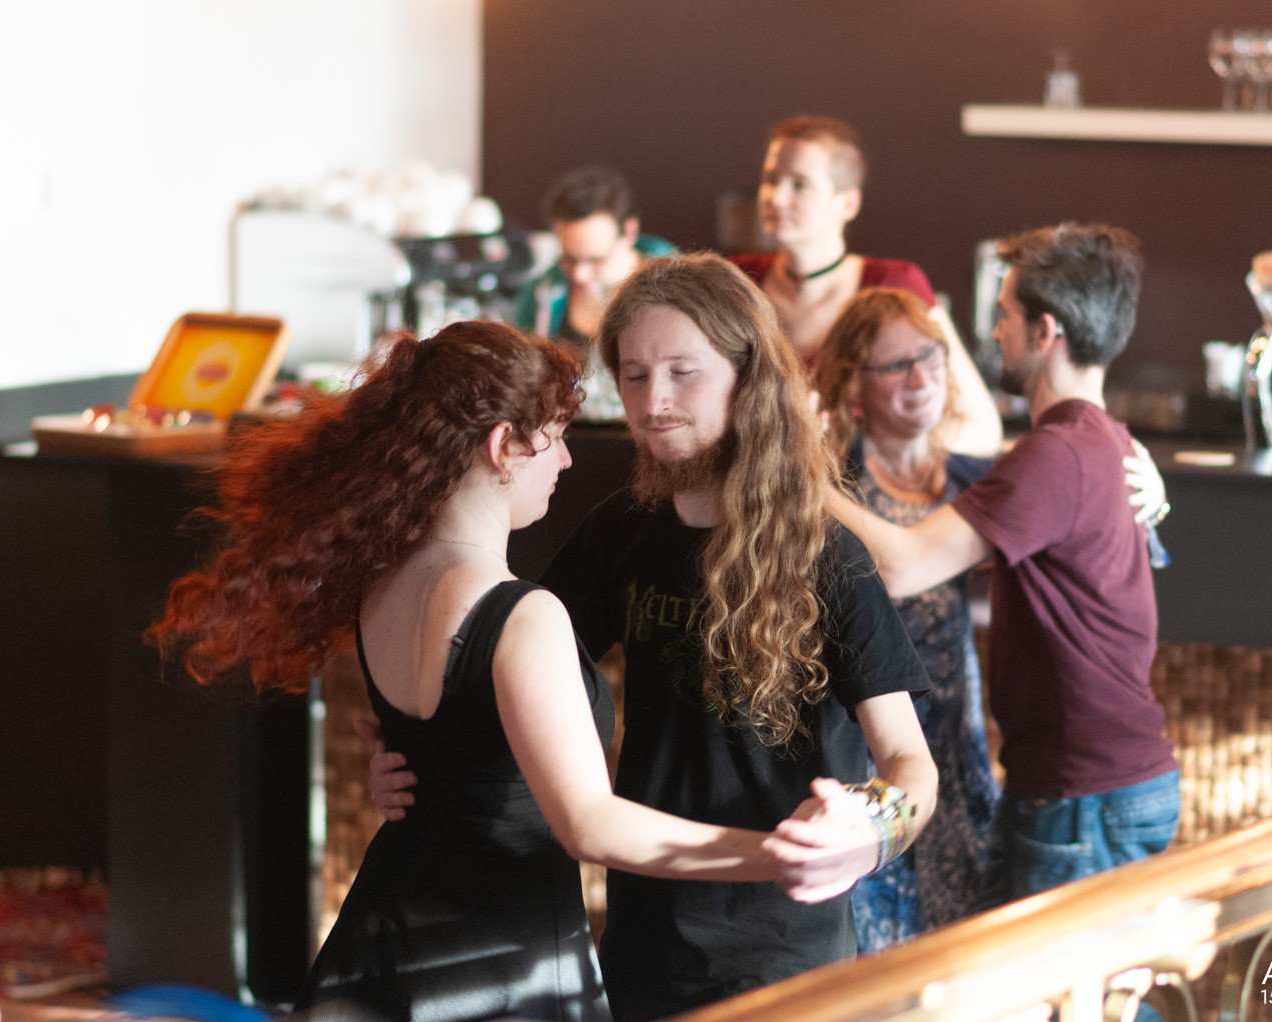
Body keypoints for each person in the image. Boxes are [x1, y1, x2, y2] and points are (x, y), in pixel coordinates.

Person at [148, 324, 865, 1022]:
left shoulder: (382, 584)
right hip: (494, 957)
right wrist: (779, 855)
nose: (567, 461)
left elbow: (449, 745)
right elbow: (590, 825)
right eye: (554, 437)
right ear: (502, 447)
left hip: (390, 930)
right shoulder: (524, 615)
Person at [375, 254, 939, 1022]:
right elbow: (497, 677)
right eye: (634, 376)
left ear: (747, 377)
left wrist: (871, 832)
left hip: (783, 949)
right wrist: (401, 756)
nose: (653, 401)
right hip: (640, 939)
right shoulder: (621, 530)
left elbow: (910, 765)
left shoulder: (825, 554)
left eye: (682, 373)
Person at [823, 223, 1180, 913]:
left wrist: (795, 476)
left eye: (1005, 314)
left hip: (1083, 792)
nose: (994, 332)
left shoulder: (1056, 454)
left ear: (1045, 332)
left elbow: (900, 567)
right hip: (1073, 783)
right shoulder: (1101, 442)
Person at [813, 288, 1001, 949]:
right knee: (875, 946)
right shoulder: (833, 483)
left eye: (930, 356)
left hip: (956, 745)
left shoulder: (976, 478)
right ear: (853, 386)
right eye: (895, 366)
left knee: (961, 948)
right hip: (867, 752)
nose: (920, 379)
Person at [730, 116, 1002, 457]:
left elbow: (982, 429)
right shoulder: (736, 280)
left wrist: (868, 445)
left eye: (799, 185)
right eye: (771, 180)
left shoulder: (893, 284)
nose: (777, 198)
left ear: (848, 204)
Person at [517, 165, 676, 345]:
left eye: (596, 260)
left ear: (629, 231)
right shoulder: (539, 293)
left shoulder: (677, 287)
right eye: (569, 260)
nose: (580, 275)